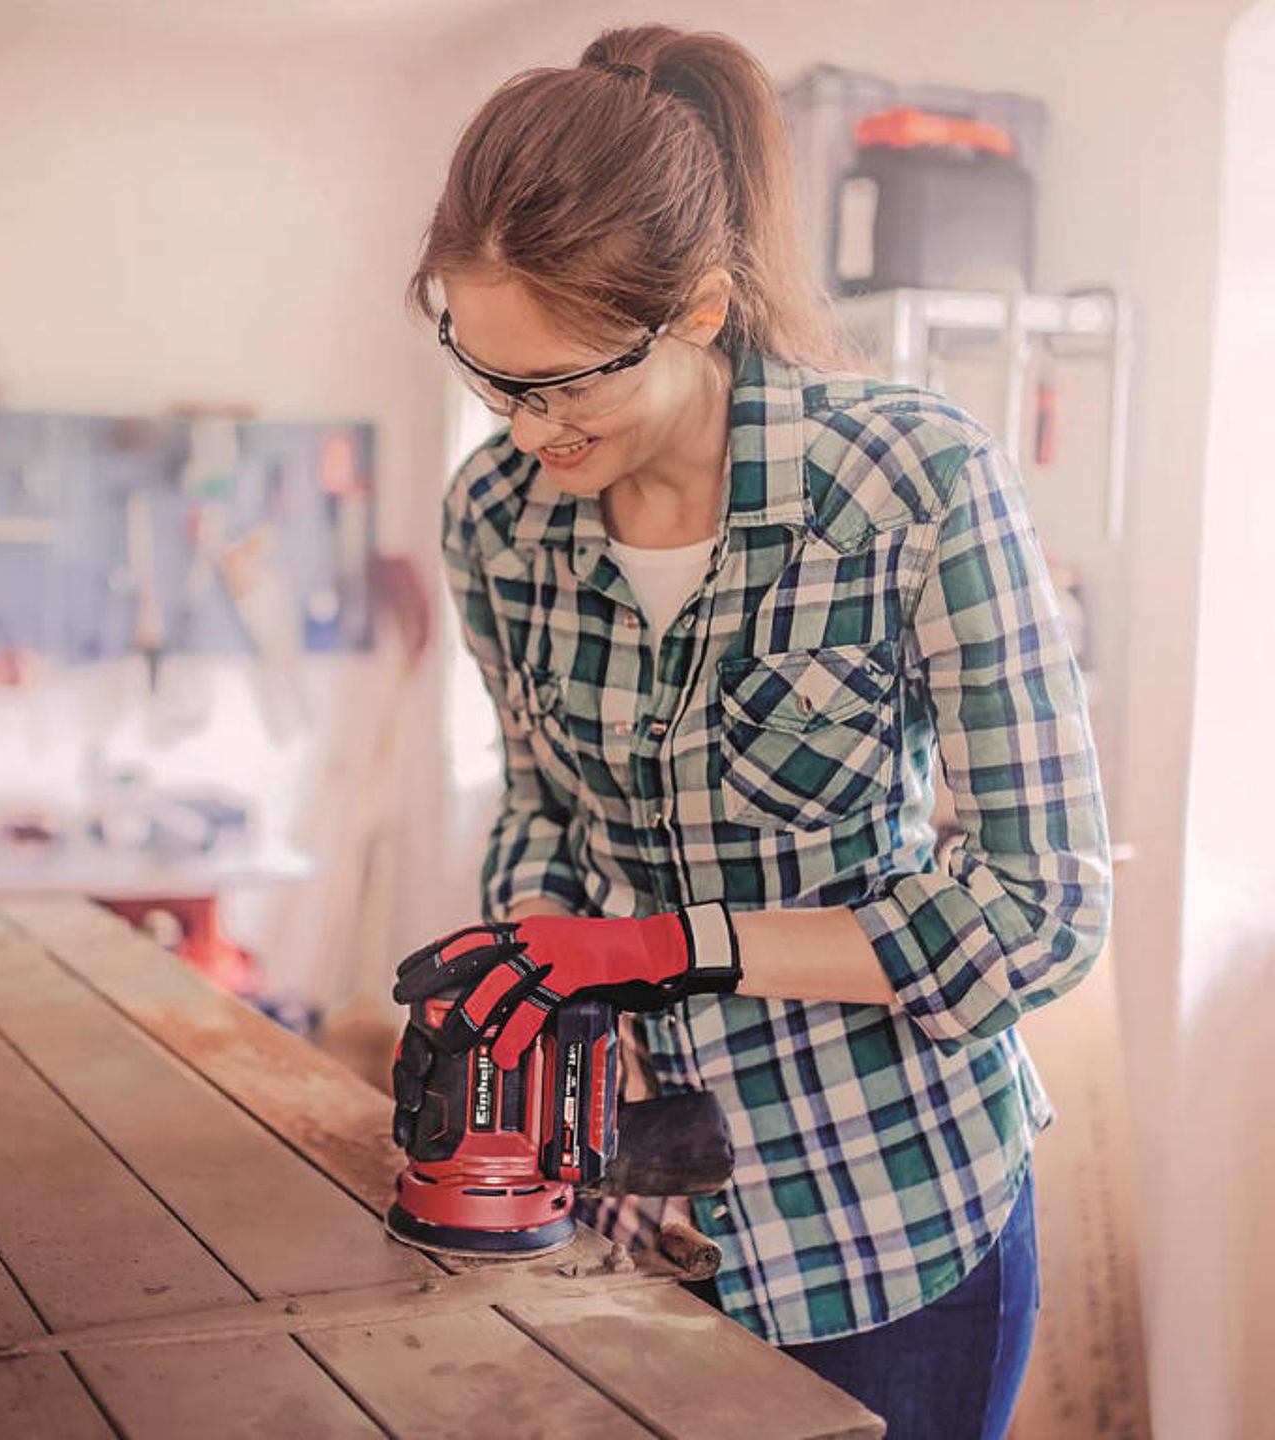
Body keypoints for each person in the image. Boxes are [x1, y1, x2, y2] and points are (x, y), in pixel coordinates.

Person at [388, 24, 1110, 1440]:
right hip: (623, 1229)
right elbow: (542, 800)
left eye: (573, 381)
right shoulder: (495, 520)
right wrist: (538, 966)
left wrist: (679, 946)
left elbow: (1045, 908)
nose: (532, 433)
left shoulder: (907, 485)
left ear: (703, 309)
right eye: (492, 378)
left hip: (891, 1228)